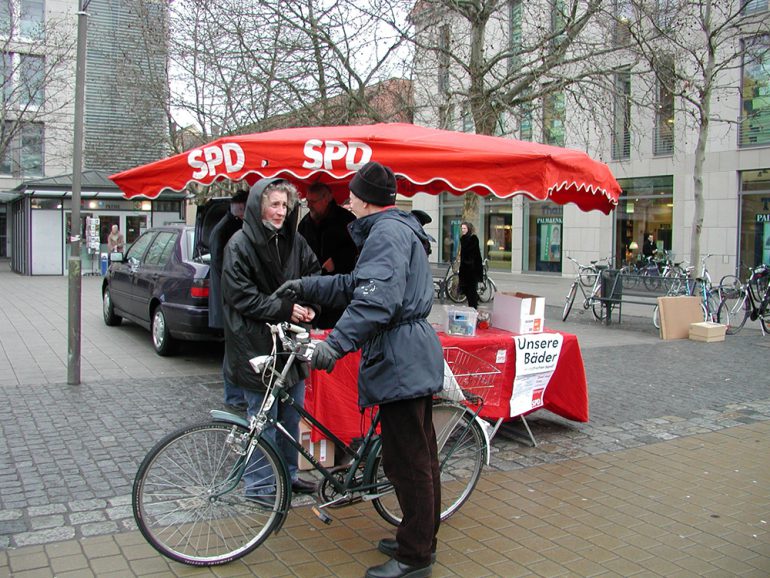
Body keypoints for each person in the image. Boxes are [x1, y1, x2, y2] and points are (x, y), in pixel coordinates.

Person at [275, 161, 443, 578]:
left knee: (409, 462)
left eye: (350, 192)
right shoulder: (394, 229)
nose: (345, 197)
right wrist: (307, 285)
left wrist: (335, 344)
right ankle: (417, 535)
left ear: (364, 198)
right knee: (418, 456)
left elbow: (375, 301)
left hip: (402, 357)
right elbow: (357, 284)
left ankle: (415, 555)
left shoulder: (386, 233)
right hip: (408, 352)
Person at [221, 178, 321, 495]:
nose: (280, 211)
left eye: (284, 205)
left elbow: (314, 276)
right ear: (259, 206)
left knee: (290, 417)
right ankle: (260, 485)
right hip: (256, 344)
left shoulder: (296, 241)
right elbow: (241, 296)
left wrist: (311, 307)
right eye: (274, 204)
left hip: (291, 345)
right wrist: (286, 309)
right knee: (261, 420)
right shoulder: (239, 244)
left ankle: (288, 475)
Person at [208, 188, 249, 411]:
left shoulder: (227, 227)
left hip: (229, 300)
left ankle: (235, 394)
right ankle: (234, 395)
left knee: (234, 349)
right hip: (230, 302)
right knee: (233, 349)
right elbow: (224, 269)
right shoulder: (228, 230)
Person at [297, 182, 357, 328]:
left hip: (340, 292)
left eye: (313, 201)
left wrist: (337, 261)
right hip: (313, 289)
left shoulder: (347, 220)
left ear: (327, 199)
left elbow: (358, 252)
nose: (309, 205)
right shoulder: (304, 224)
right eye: (307, 201)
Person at [458, 221, 483, 309]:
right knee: (467, 292)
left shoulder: (473, 238)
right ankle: (471, 308)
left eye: (464, 228)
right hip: (465, 270)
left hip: (472, 270)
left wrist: (468, 263)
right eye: (462, 228)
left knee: (472, 291)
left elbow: (474, 255)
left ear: (468, 229)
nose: (463, 230)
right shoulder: (463, 238)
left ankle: (474, 309)